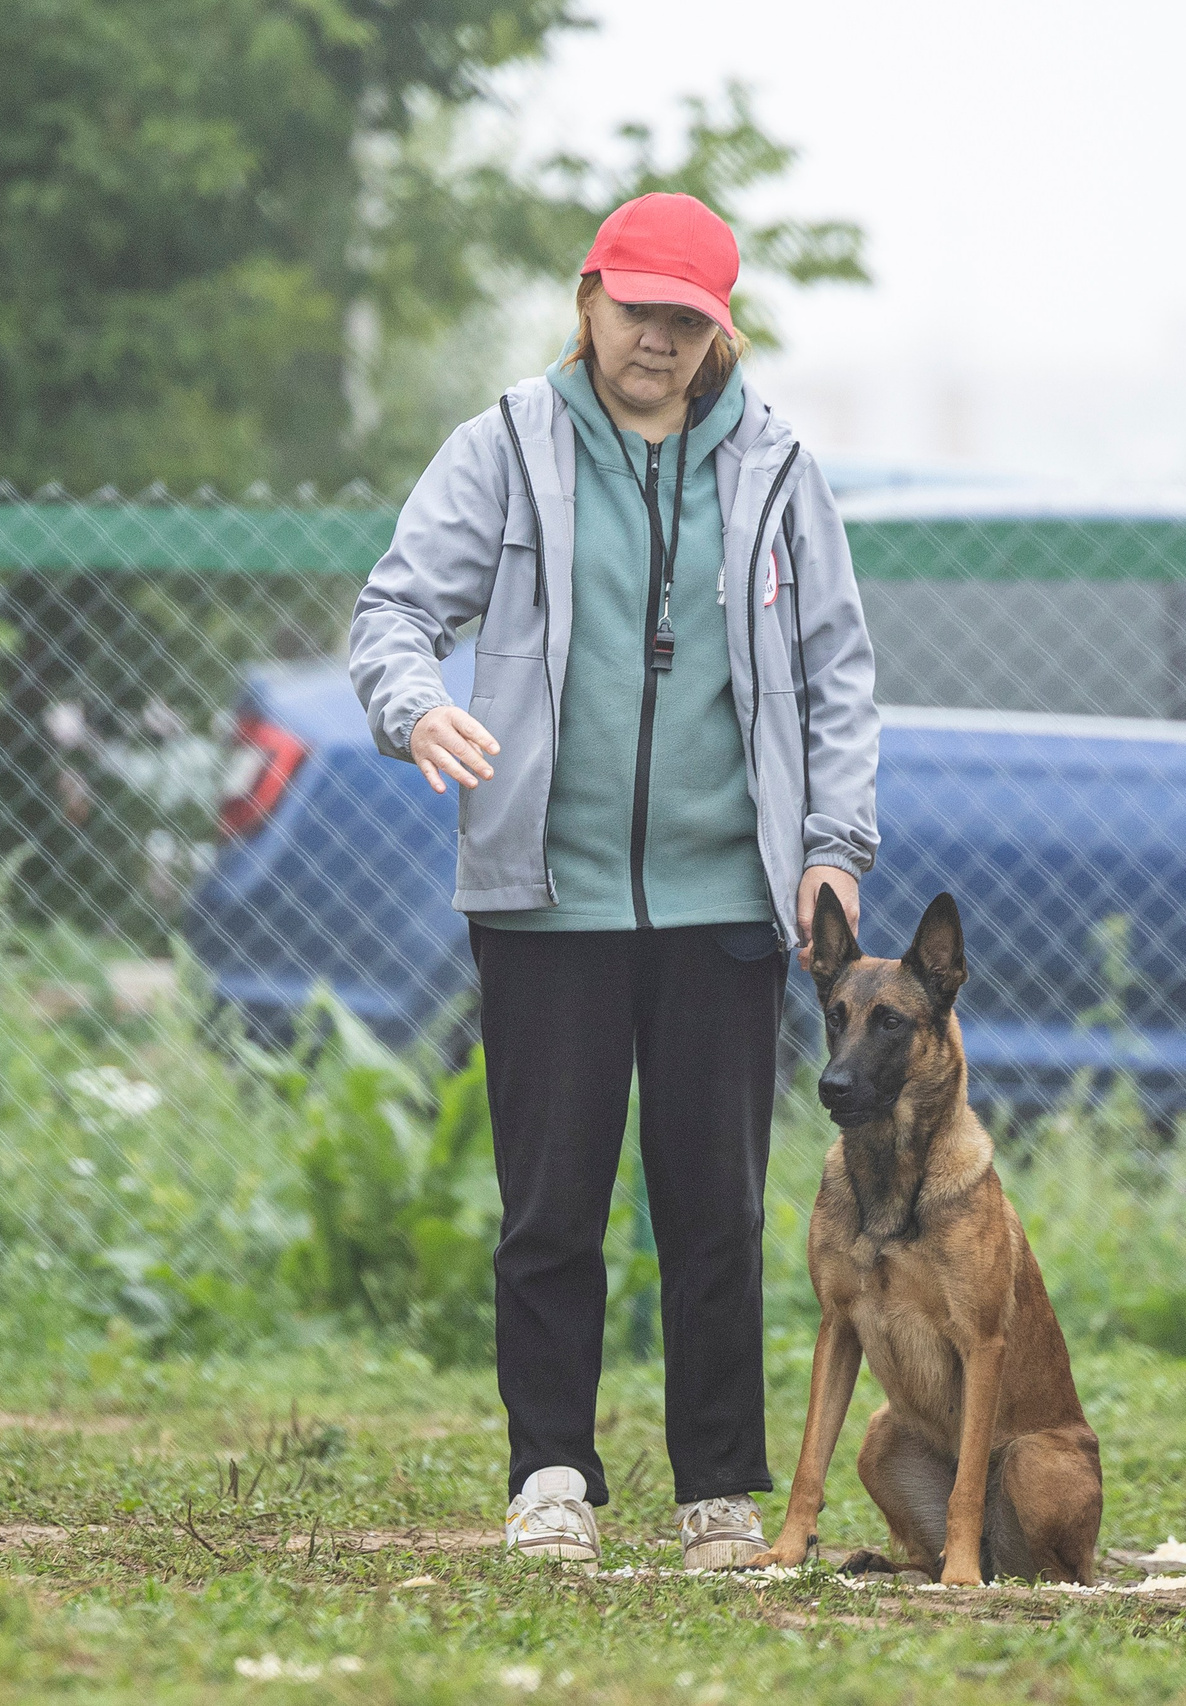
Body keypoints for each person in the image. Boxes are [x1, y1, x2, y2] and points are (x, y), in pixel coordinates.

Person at [350, 192, 879, 1571]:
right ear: (588, 298)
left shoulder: (777, 469)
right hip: (544, 898)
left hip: (727, 907)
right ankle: (550, 1479)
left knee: (717, 1212)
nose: (657, 339)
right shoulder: (504, 446)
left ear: (720, 332)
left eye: (685, 321)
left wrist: (833, 844)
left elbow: (837, 670)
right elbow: (394, 610)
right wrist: (415, 705)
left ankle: (720, 1493)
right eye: (637, 309)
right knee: (550, 1209)